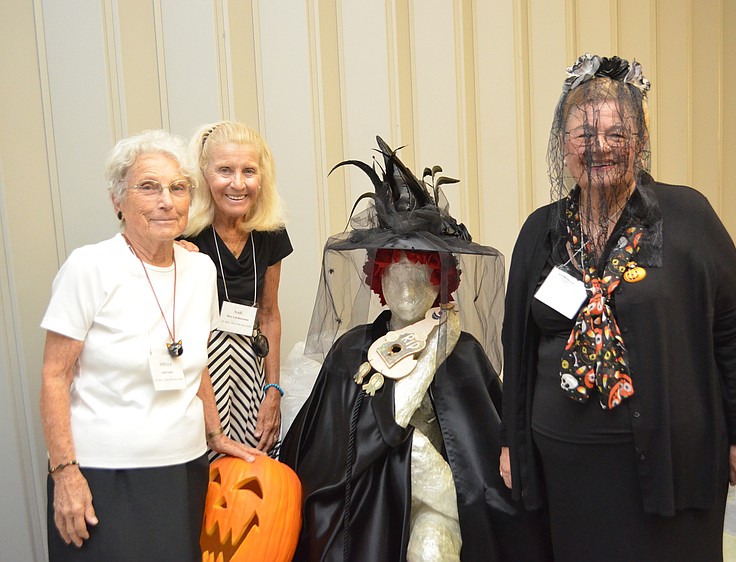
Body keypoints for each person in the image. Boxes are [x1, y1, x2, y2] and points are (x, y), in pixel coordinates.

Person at [499, 54, 736, 561]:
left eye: (616, 135)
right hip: (567, 467)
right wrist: (512, 441)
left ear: (640, 143)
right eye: (583, 134)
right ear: (564, 145)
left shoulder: (689, 217)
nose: (598, 147)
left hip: (671, 462)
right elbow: (516, 346)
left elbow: (733, 334)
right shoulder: (541, 232)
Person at [281, 137, 550, 561]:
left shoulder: (465, 352)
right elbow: (332, 456)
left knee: (432, 551)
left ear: (443, 281)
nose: (408, 289)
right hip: (369, 500)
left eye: (422, 274)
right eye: (395, 273)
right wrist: (432, 356)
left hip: (441, 505)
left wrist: (446, 346)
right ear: (378, 280)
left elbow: (483, 454)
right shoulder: (353, 351)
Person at [40, 129, 262, 561]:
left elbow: (195, 365)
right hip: (103, 475)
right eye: (148, 187)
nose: (166, 201)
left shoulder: (199, 270)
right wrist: (65, 472)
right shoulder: (89, 267)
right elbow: (54, 375)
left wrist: (214, 433)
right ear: (117, 201)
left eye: (178, 188)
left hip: (184, 470)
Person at [182, 121, 293, 458]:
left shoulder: (270, 233)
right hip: (198, 371)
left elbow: (269, 314)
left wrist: (272, 390)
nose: (238, 183)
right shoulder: (182, 234)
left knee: (254, 466)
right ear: (203, 174)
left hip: (249, 363)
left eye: (249, 171)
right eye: (225, 170)